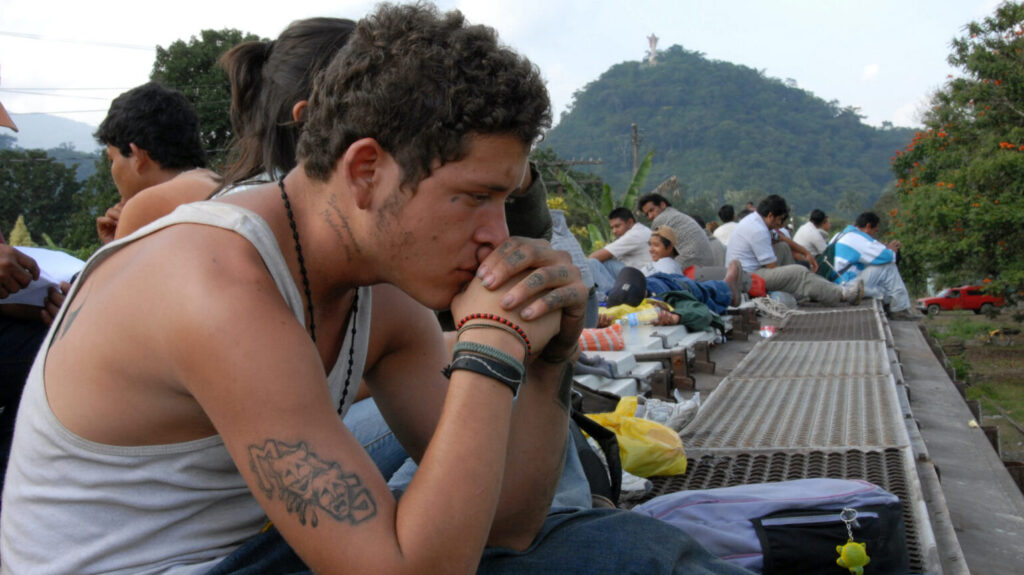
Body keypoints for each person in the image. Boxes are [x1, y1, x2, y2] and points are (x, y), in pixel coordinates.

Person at [1, 6, 749, 574]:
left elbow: (512, 525)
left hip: (254, 553)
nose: (496, 234)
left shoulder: (374, 291)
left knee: (614, 545)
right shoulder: (217, 287)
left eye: (505, 199)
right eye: (472, 197)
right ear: (365, 172)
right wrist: (489, 348)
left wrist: (548, 357)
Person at [93, 82, 215, 244]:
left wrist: (117, 245)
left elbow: (131, 263)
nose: (112, 170)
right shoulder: (221, 184)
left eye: (112, 160)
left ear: (137, 156)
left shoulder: (144, 205)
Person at [726, 194, 862, 306]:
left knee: (783, 247)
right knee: (798, 273)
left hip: (747, 271)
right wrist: (790, 274)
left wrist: (806, 253)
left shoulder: (756, 220)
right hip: (748, 278)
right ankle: (843, 294)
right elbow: (771, 266)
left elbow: (783, 239)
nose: (779, 224)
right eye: (779, 219)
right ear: (771, 215)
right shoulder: (758, 231)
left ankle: (800, 292)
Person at [833, 211, 916, 319]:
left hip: (838, 283)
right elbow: (888, 256)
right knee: (888, 266)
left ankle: (890, 305)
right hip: (849, 286)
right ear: (868, 226)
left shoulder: (840, 235)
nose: (873, 235)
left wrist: (884, 248)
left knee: (881, 279)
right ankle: (899, 309)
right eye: (874, 231)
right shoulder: (858, 238)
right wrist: (890, 249)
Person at [637, 193, 715, 269]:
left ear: (663, 205)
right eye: (647, 214)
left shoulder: (660, 219)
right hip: (708, 263)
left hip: (691, 262)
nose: (650, 216)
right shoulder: (676, 214)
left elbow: (659, 252)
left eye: (651, 210)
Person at [587, 207, 653, 296]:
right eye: (612, 228)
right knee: (601, 263)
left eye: (617, 226)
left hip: (642, 277)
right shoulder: (640, 229)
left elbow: (596, 256)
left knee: (592, 263)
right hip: (640, 274)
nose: (614, 231)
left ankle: (611, 294)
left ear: (630, 222)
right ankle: (613, 292)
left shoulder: (634, 234)